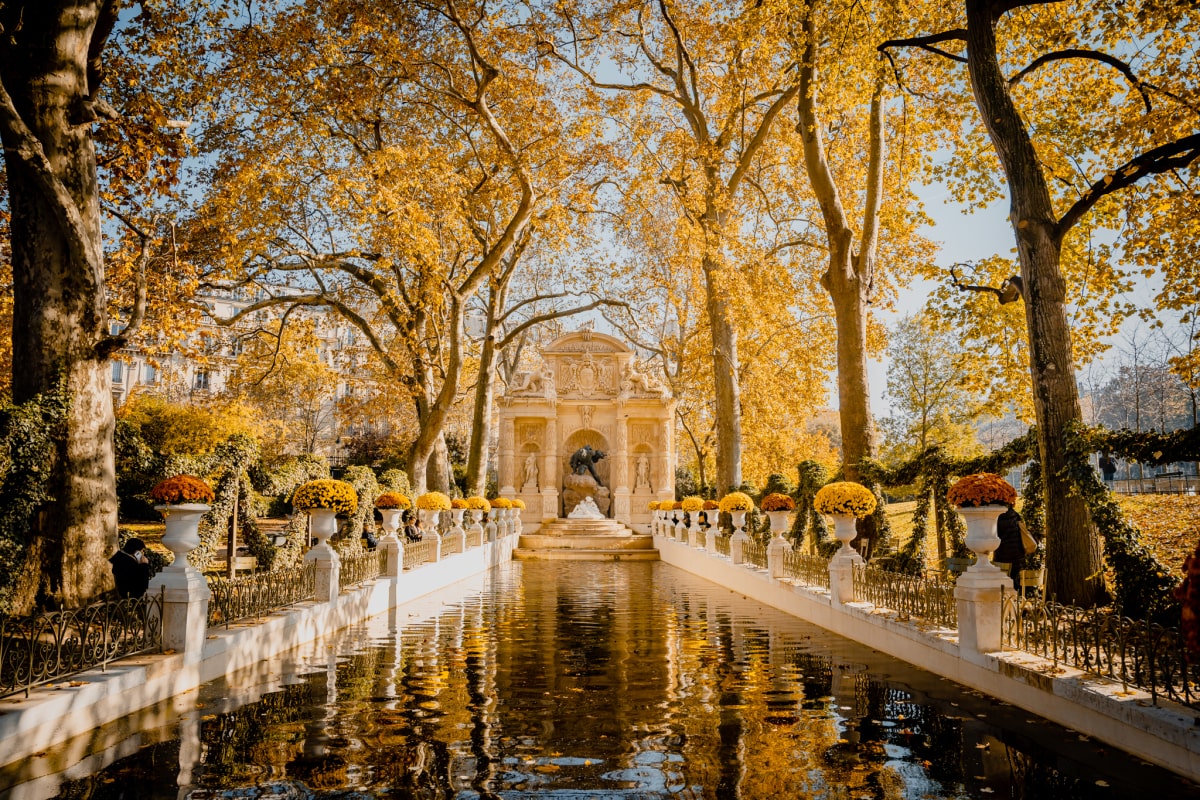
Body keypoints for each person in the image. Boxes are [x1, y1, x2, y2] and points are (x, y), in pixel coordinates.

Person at [993, 504, 1035, 585]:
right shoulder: (1016, 515)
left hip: (1002, 556)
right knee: (1016, 583)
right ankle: (1016, 596)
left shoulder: (997, 518)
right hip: (1018, 556)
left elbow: (994, 536)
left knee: (1002, 584)